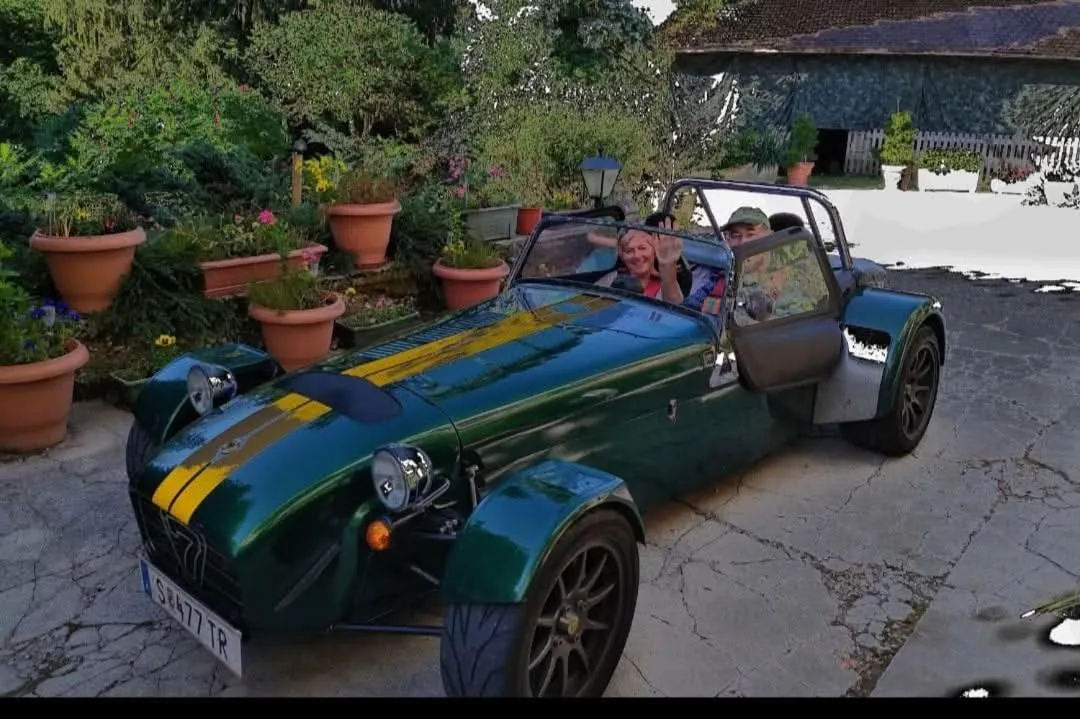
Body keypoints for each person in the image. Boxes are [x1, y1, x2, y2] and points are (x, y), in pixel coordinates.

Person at [595, 228, 685, 303]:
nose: (637, 255)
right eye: (629, 250)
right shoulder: (613, 278)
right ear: (622, 256)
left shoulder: (666, 285)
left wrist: (667, 266)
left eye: (642, 248)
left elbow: (674, 304)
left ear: (654, 251)